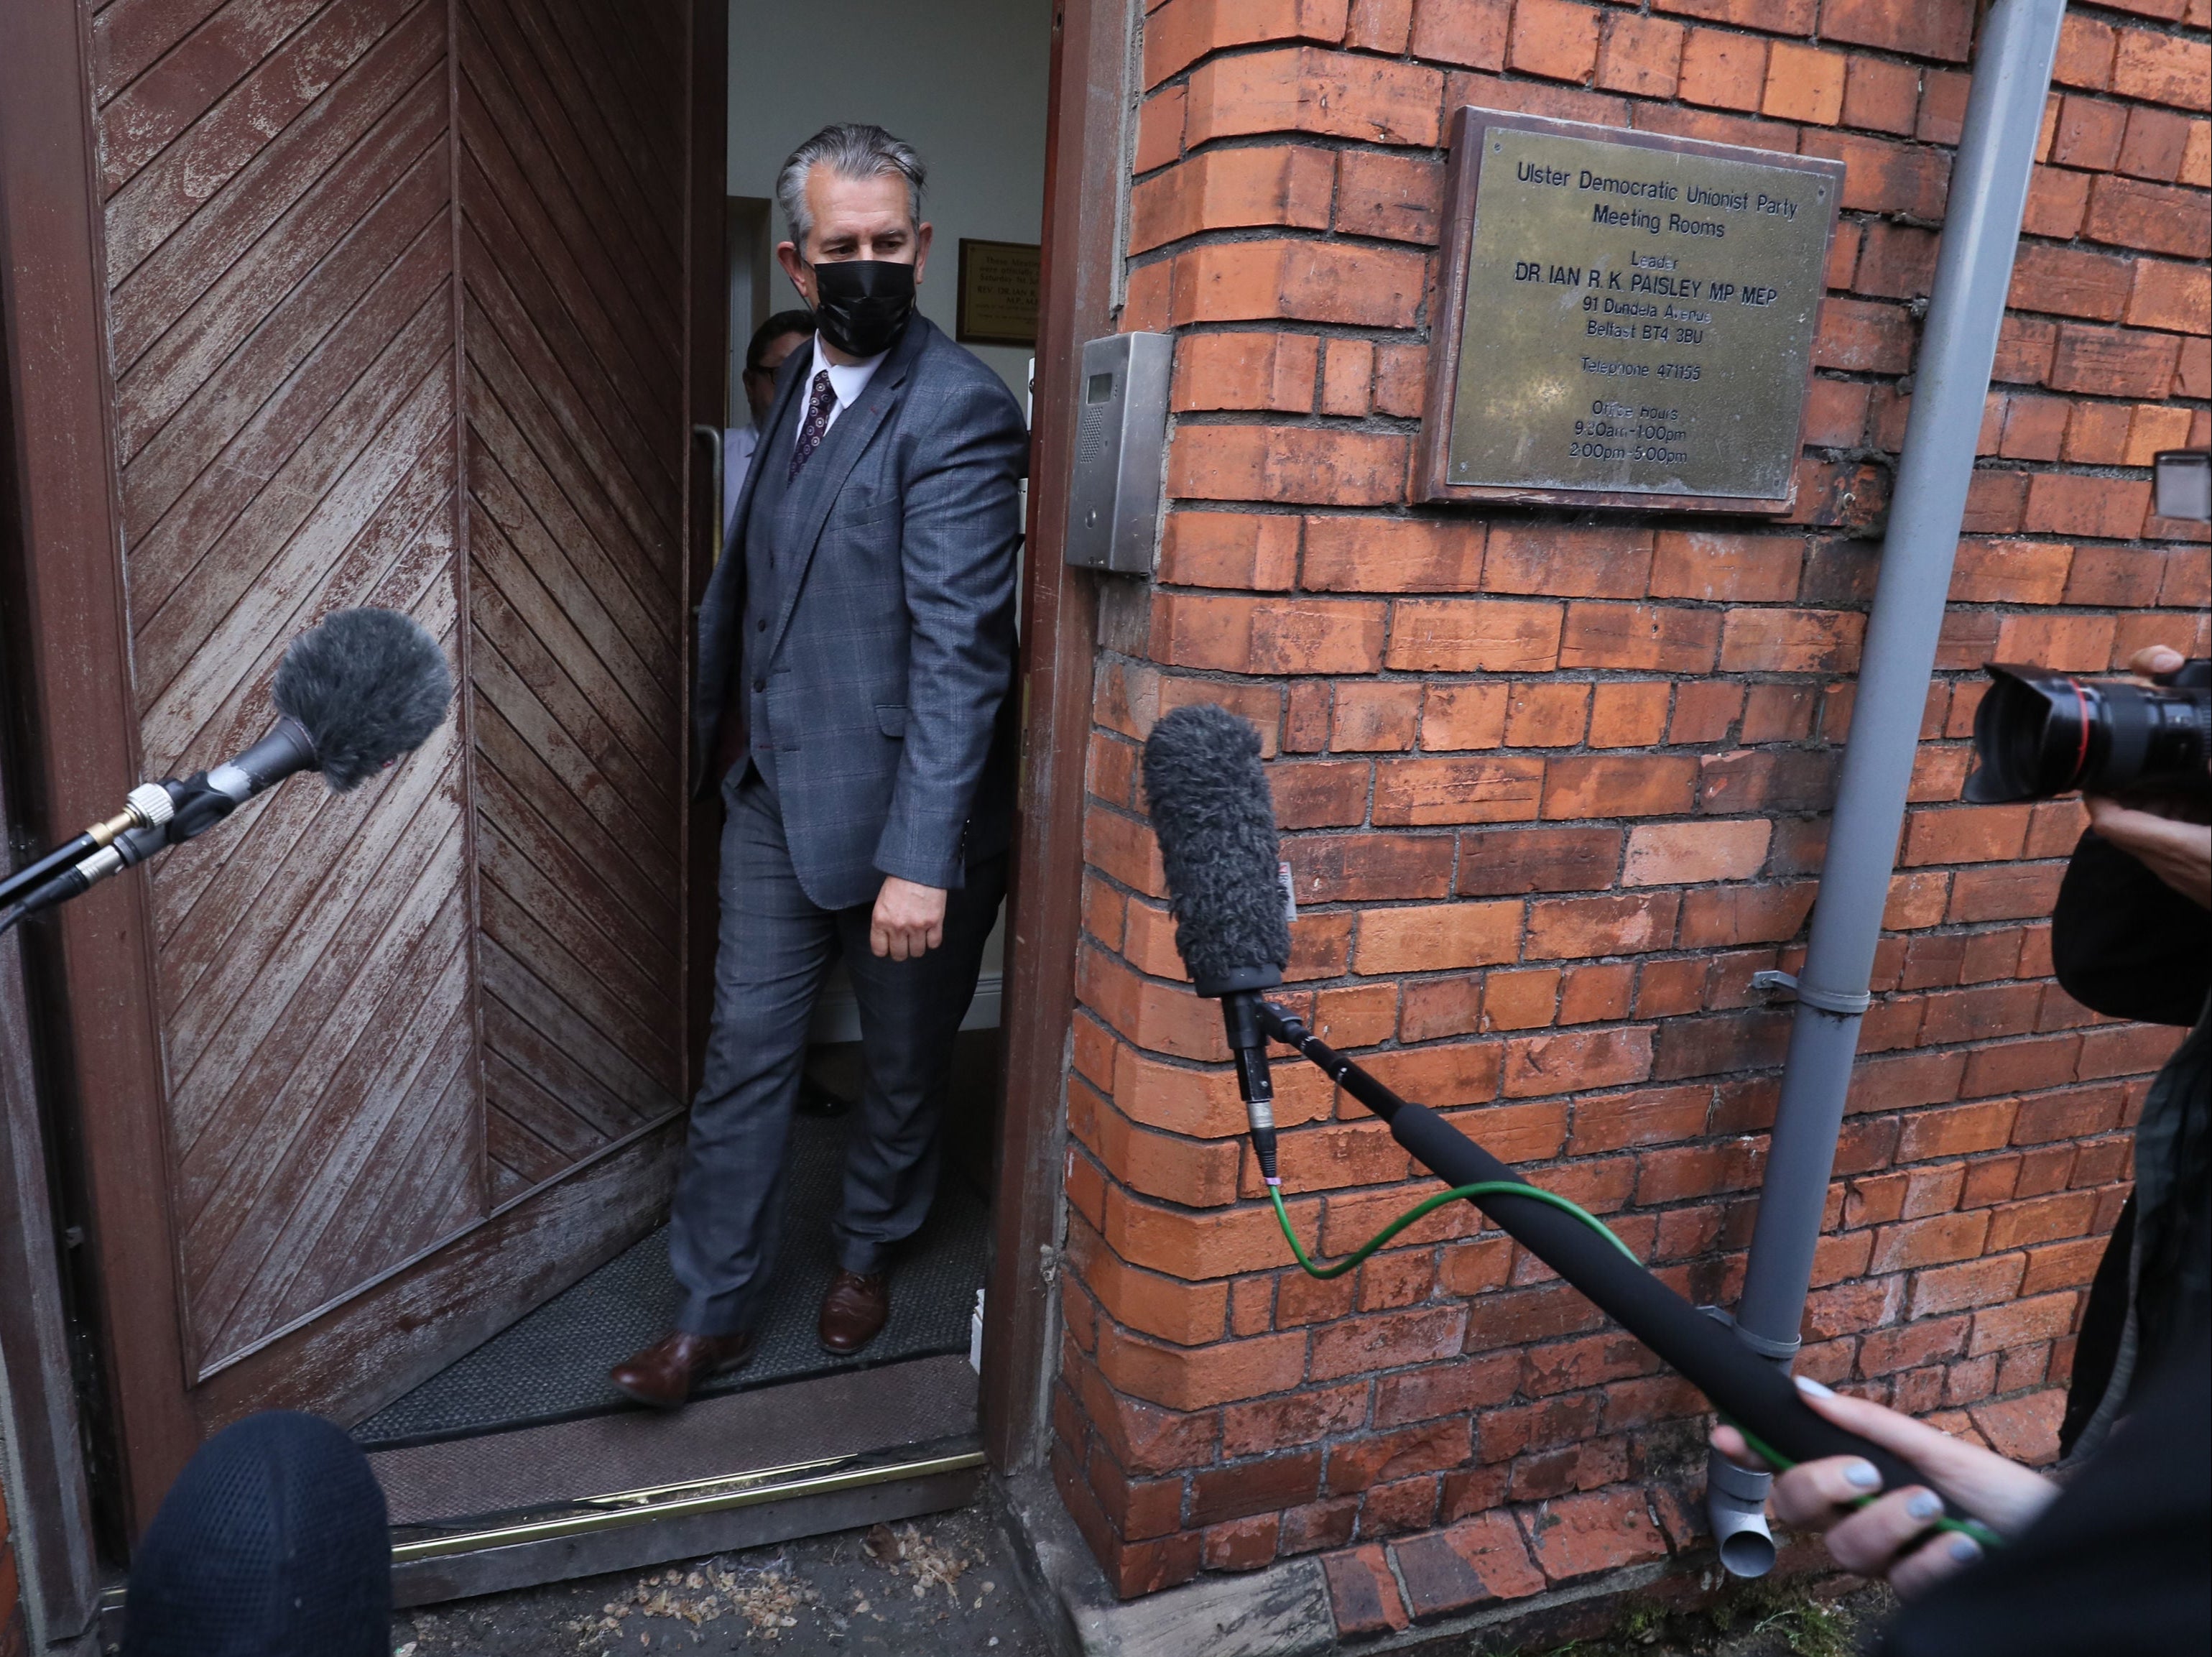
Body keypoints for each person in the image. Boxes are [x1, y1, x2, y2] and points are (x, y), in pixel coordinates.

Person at [611, 123, 1025, 1408]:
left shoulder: (957, 409)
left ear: (922, 245)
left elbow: (964, 651)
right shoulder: (796, 382)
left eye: (888, 244)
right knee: (745, 1054)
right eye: (841, 248)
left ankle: (865, 1252)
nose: (868, 267)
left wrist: (918, 862)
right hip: (769, 793)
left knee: (902, 1060)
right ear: (796, 264)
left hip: (906, 815)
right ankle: (711, 1311)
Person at [725, 310, 817, 543]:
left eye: (814, 374)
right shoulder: (715, 459)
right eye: (784, 374)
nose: (801, 389)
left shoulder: (854, 460)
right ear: (750, 384)